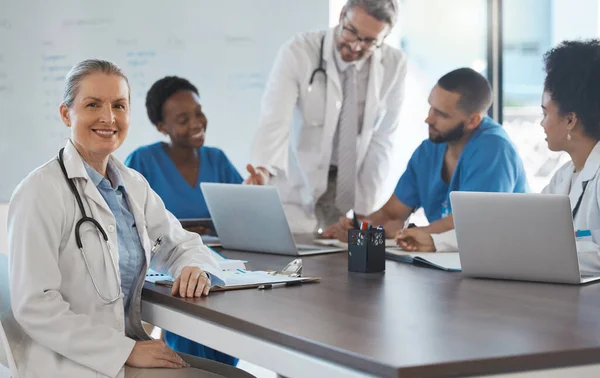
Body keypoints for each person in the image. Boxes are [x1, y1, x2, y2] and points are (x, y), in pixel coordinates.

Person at [6, 59, 254, 378]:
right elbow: (35, 307)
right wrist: (126, 350)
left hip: (127, 348)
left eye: (119, 106)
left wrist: (194, 266)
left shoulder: (132, 185)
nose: (108, 117)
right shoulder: (39, 191)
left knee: (239, 375)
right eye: (93, 104)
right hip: (70, 363)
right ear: (67, 113)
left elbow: (180, 244)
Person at [398, 39, 600, 253]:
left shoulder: (492, 148)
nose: (542, 123)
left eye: (545, 113)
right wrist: (436, 242)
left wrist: (555, 250)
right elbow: (515, 232)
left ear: (570, 120)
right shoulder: (563, 178)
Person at [125, 76, 255, 366]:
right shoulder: (143, 161)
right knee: (192, 331)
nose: (196, 123)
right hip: (171, 272)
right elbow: (125, 223)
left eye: (198, 112)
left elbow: (241, 221)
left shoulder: (217, 159)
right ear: (162, 127)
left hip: (223, 269)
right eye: (183, 119)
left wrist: (253, 193)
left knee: (224, 336)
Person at [249, 0, 408, 233]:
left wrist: (366, 209)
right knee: (298, 249)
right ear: (342, 15)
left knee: (336, 257)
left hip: (347, 183)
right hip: (300, 177)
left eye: (369, 41)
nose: (355, 46)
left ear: (385, 37)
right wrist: (264, 168)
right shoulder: (299, 51)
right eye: (351, 31)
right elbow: (275, 120)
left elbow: (382, 139)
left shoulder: (394, 65)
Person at [326, 68, 529, 242]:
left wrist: (407, 234)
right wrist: (358, 228)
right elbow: (392, 214)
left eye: (441, 114)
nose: (428, 119)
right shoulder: (429, 149)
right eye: (431, 107)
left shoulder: (493, 149)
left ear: (473, 121)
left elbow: (467, 224)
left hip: (503, 269)